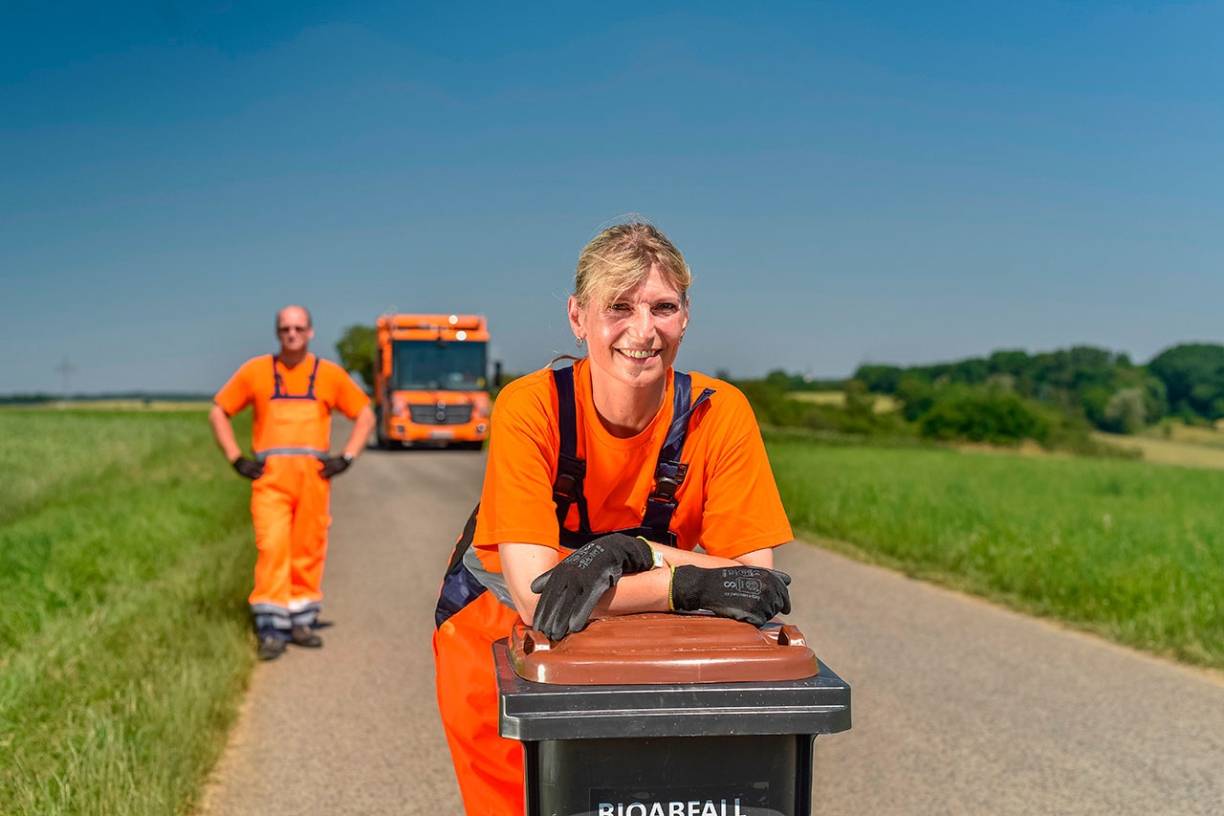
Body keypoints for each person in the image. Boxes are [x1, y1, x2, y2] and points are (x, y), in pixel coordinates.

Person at [432, 223, 795, 815]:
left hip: (639, 645)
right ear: (578, 317)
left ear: (686, 317)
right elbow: (536, 599)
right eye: (618, 307)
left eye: (663, 307)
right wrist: (687, 581)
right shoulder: (532, 407)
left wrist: (633, 553)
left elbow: (756, 585)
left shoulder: (719, 414)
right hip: (498, 648)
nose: (642, 331)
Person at [210, 305, 375, 661]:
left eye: (299, 328)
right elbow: (218, 411)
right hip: (270, 481)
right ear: (277, 333)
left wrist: (346, 457)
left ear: (311, 332)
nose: (292, 334)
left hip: (314, 481)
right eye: (285, 328)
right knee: (272, 547)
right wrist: (236, 458)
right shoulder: (256, 372)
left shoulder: (329, 375)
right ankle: (270, 625)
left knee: (308, 549)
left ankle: (301, 620)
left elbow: (364, 414)